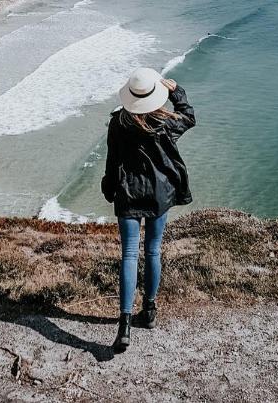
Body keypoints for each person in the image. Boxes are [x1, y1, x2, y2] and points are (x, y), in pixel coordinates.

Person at [101, 67, 195, 352]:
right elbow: (190, 116)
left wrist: (108, 188)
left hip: (128, 194)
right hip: (159, 194)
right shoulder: (166, 123)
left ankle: (125, 325)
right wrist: (177, 92)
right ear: (156, 95)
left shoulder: (118, 123)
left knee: (129, 254)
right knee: (153, 251)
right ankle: (150, 311)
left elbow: (111, 160)